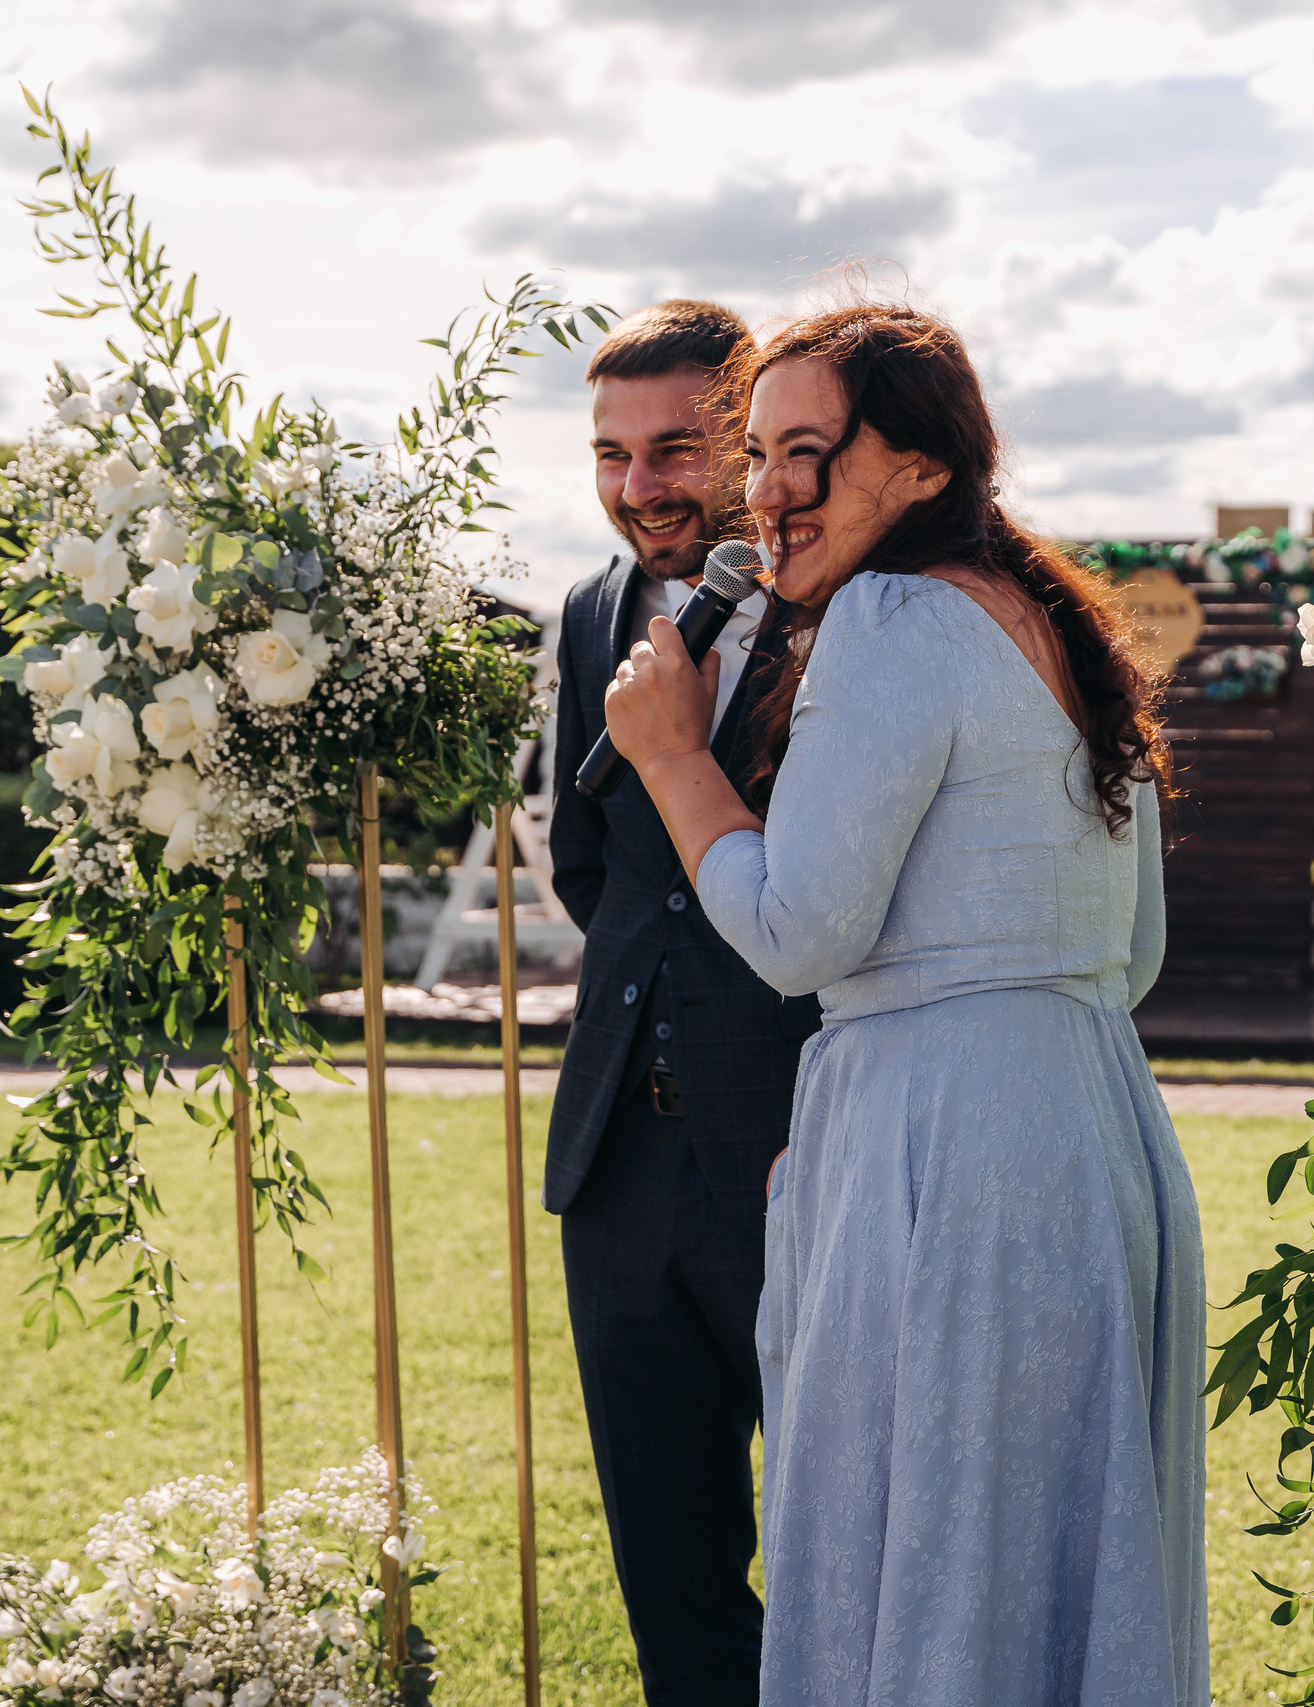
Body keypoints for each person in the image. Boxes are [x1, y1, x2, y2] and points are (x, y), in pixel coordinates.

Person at [602, 303, 1210, 1706]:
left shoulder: (887, 618)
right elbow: (1133, 956)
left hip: (944, 1166)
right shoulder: (1056, 629)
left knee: (933, 1566)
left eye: (807, 452)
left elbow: (798, 932)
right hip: (1094, 1134)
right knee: (1048, 1566)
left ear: (924, 465)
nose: (768, 493)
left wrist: (674, 758)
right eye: (757, 453)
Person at [544, 298, 821, 1707]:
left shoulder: (847, 610)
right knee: (669, 1572)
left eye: (674, 449)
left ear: (753, 441)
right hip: (618, 1165)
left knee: (843, 1552)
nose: (639, 485)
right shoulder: (590, 614)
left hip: (797, 1151)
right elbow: (588, 866)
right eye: (611, 453)